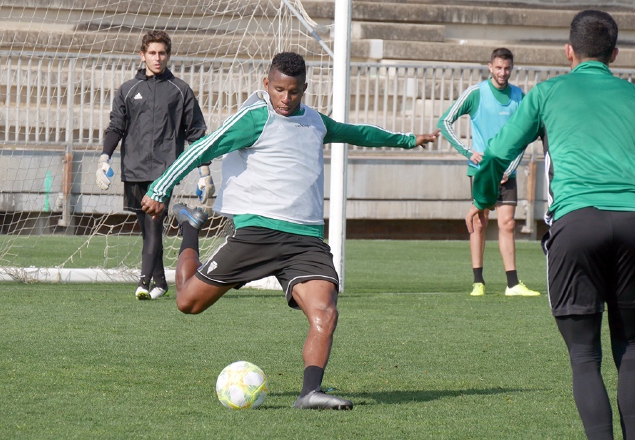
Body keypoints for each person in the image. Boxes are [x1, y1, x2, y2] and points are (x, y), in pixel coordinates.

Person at [141, 52, 439, 409]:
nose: (285, 98)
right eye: (279, 89)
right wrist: (160, 188)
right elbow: (204, 146)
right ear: (266, 85)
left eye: (293, 92)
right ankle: (190, 227)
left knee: (325, 312)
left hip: (305, 241)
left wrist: (407, 140)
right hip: (256, 235)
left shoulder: (315, 122)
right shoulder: (255, 117)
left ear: (304, 90)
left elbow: (357, 132)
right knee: (187, 303)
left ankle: (310, 392)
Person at [465, 10, 635, 439]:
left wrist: (483, 198)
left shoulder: (545, 93)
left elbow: (498, 153)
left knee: (584, 356)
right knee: (632, 347)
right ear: (614, 53)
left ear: (568, 51)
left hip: (576, 225)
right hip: (634, 225)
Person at [95, 30, 209, 300]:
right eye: (153, 53)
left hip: (165, 171)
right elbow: (116, 127)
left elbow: (196, 133)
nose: (158, 58)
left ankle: (143, 283)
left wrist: (205, 172)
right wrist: (104, 158)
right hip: (133, 168)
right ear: (142, 55)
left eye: (162, 53)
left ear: (168, 56)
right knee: (145, 229)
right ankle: (160, 282)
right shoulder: (128, 89)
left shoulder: (180, 90)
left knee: (155, 223)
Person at [437, 48, 540, 297]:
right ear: (489, 67)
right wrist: (467, 151)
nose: (503, 72)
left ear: (511, 68)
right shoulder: (476, 93)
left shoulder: (519, 96)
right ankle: (478, 281)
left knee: (507, 223)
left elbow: (526, 135)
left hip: (508, 172)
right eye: (498, 67)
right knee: (480, 222)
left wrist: (510, 168)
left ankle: (513, 283)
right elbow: (445, 121)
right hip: (482, 170)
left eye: (507, 68)